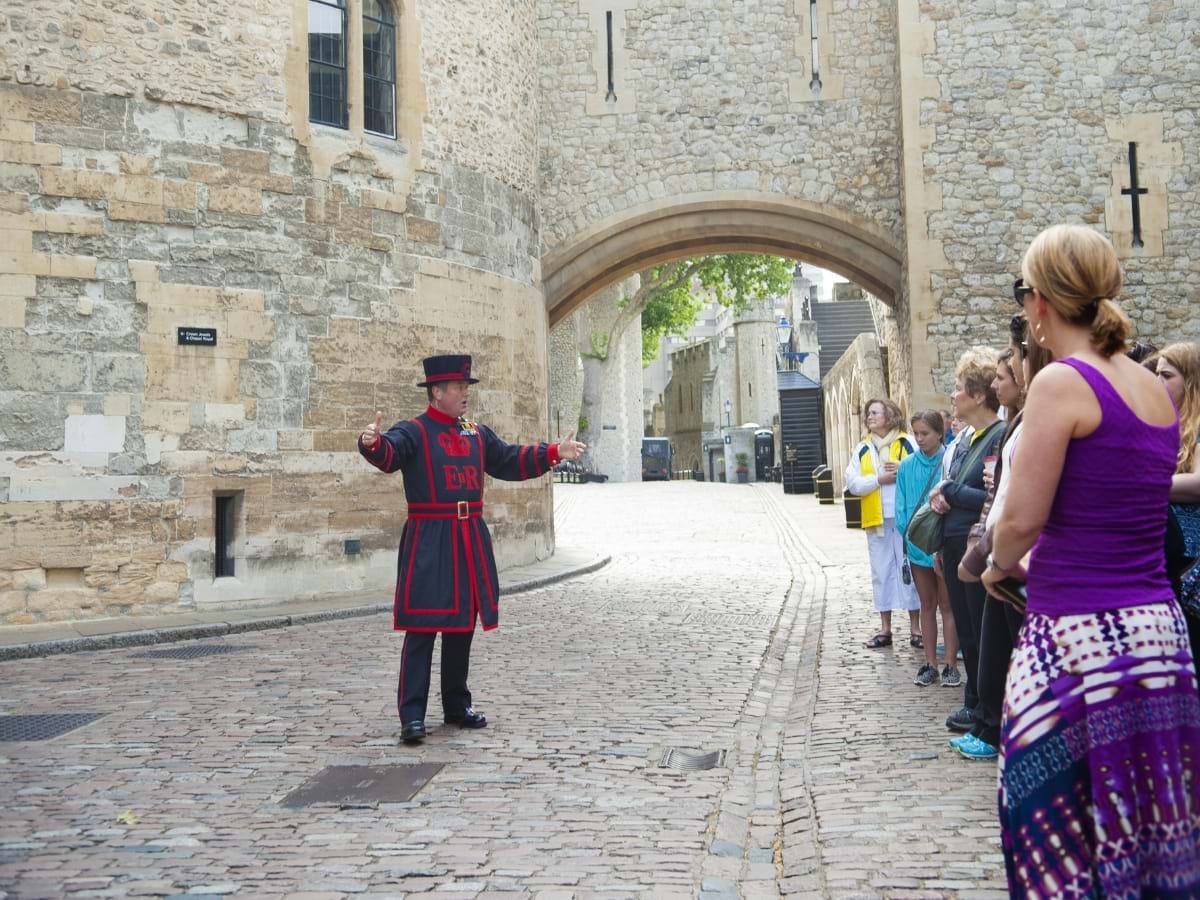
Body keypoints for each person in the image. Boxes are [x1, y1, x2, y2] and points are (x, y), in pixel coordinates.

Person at [987, 225, 1200, 895]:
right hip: (1157, 638)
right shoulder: (1151, 388)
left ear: (1042, 299)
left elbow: (1021, 520)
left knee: (1053, 823)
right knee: (1143, 820)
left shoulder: (1060, 384)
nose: (1024, 311)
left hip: (1079, 635)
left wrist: (995, 563)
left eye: (1023, 295)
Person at [358, 354, 587, 744]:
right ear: (437, 392)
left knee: (462, 624)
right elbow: (389, 453)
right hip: (430, 539)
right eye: (459, 387)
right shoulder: (414, 430)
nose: (466, 393)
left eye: (467, 387)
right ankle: (411, 715)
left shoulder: (474, 432)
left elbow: (508, 459)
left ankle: (455, 704)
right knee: (423, 627)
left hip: (468, 538)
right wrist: (371, 443)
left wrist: (552, 454)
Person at [951, 327, 1051, 761]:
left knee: (1009, 647)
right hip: (1001, 551)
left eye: (1006, 369)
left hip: (1018, 559)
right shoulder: (1018, 422)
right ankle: (993, 723)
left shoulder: (1034, 416)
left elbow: (1021, 501)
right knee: (994, 646)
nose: (996, 383)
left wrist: (992, 559)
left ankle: (1000, 729)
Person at [928, 348, 1005, 736]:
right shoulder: (973, 438)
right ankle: (974, 703)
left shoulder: (998, 437)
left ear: (977, 395)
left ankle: (981, 706)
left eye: (959, 389)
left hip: (976, 546)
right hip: (955, 543)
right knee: (968, 635)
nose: (953, 396)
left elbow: (993, 496)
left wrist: (952, 490)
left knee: (978, 633)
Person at [845, 398, 921, 648]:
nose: (870, 416)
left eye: (875, 412)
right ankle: (885, 628)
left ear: (890, 416)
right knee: (881, 572)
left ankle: (915, 629)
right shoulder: (863, 448)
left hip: (905, 518)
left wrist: (903, 469)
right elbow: (853, 484)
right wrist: (879, 479)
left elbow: (923, 471)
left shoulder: (908, 443)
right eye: (868, 413)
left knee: (909, 570)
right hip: (876, 519)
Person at [895, 409, 959, 686]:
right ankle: (930, 663)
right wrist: (913, 539)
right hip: (918, 546)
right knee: (927, 604)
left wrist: (940, 543)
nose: (919, 439)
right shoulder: (907, 466)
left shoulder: (950, 461)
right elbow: (901, 510)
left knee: (948, 605)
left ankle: (951, 665)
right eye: (916, 433)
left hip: (943, 547)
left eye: (925, 433)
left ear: (939, 433)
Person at [1157, 343, 1200, 671]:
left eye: (1166, 375)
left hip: (1191, 565)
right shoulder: (1165, 427)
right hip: (1167, 560)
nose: (1157, 382)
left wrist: (1146, 484)